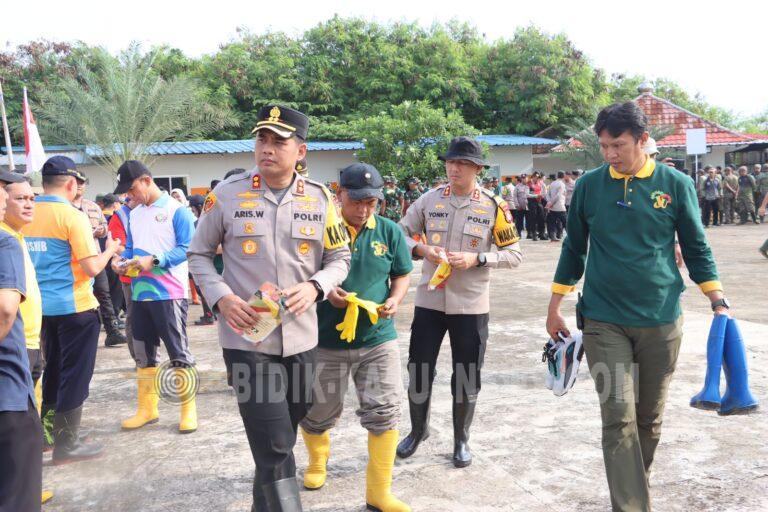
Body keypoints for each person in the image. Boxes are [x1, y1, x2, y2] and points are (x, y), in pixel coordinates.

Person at [546, 102, 728, 512]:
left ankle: (630, 492)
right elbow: (573, 248)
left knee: (648, 420)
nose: (610, 154)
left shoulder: (675, 184)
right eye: (605, 145)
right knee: (617, 415)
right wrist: (554, 305)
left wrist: (715, 296)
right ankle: (632, 507)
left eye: (619, 145)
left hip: (660, 320)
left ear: (643, 141)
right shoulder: (590, 187)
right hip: (603, 320)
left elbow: (697, 246)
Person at [188, 105, 350, 510]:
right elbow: (198, 255)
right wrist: (221, 297)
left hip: (302, 338)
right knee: (276, 443)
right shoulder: (225, 195)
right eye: (262, 138)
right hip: (246, 340)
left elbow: (340, 258)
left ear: (301, 151)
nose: (267, 148)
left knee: (278, 438)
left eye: (279, 141)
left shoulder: (319, 197)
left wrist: (316, 286)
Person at [397, 136, 523, 468]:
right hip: (430, 300)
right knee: (419, 369)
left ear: (477, 169)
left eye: (462, 164)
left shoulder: (493, 206)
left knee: (466, 374)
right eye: (451, 162)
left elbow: (514, 255)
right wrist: (423, 250)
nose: (454, 168)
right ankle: (417, 430)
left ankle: (461, 439)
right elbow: (401, 233)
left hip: (471, 304)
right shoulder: (429, 200)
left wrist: (477, 258)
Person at [300, 163, 412, 512]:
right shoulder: (320, 230)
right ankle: (318, 462)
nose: (364, 210)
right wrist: (327, 291)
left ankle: (379, 492)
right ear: (340, 195)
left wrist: (395, 299)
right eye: (357, 201)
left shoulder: (389, 231)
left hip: (377, 338)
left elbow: (401, 274)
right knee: (318, 411)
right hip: (325, 340)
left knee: (385, 411)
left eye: (372, 202)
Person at [23, 156, 120, 464]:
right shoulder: (72, 216)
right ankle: (68, 444)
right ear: (70, 184)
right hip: (76, 308)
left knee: (54, 371)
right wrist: (110, 251)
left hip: (42, 310)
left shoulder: (28, 212)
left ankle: (48, 437)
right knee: (75, 376)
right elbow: (91, 268)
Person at [112, 161, 198, 434]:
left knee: (178, 352)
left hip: (170, 292)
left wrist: (156, 260)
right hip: (140, 293)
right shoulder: (134, 215)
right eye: (125, 191)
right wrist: (120, 260)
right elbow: (133, 249)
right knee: (143, 351)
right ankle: (148, 409)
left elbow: (188, 248)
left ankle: (188, 409)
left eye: (132, 188)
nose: (129, 195)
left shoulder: (177, 211)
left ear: (147, 180)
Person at [0, 169, 43, 511]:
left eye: (33, 198)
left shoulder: (16, 236)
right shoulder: (5, 240)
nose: (29, 204)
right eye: (19, 197)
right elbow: (5, 310)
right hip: (12, 364)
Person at [72, 178, 127, 347]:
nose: (80, 185)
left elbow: (105, 228)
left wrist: (101, 230)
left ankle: (112, 331)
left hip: (95, 255)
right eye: (77, 181)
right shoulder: (64, 208)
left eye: (83, 182)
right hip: (72, 260)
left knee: (104, 293)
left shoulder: (93, 207)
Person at [107, 196, 139, 363]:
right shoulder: (120, 216)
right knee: (135, 317)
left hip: (157, 276)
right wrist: (139, 256)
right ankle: (141, 359)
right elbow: (116, 245)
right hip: (132, 277)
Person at [545, 171, 567, 242]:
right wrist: (551, 203)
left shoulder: (552, 183)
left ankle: (553, 237)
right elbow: (558, 195)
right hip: (560, 206)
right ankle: (572, 236)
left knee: (552, 222)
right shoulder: (562, 184)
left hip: (552, 207)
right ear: (563, 176)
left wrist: (549, 202)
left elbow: (547, 194)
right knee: (565, 222)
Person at [526, 172, 546, 241]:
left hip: (539, 201)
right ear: (533, 177)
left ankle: (542, 234)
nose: (537, 179)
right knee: (533, 218)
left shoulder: (540, 183)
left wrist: (541, 195)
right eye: (536, 178)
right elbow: (527, 194)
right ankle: (534, 234)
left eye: (538, 178)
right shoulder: (529, 183)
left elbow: (543, 191)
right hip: (532, 202)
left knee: (541, 217)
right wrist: (536, 195)